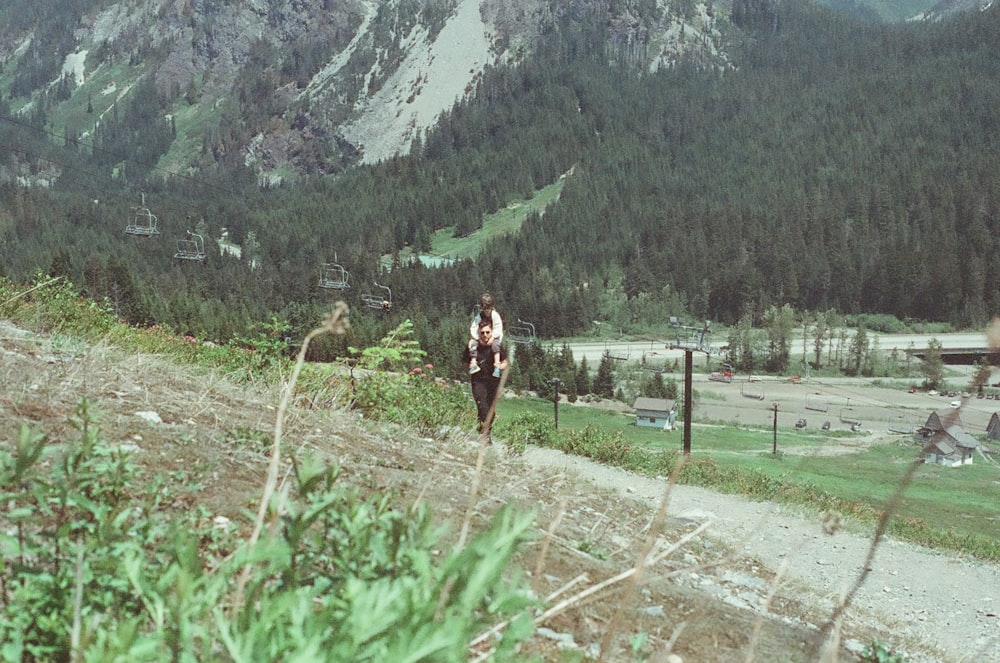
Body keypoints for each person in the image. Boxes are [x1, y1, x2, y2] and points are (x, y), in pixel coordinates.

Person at [463, 320, 509, 442]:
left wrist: (500, 366)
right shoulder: (473, 346)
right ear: (478, 332)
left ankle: (484, 431)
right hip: (478, 381)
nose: (485, 335)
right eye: (482, 332)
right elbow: (464, 362)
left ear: (492, 332)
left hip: (493, 381)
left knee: (490, 410)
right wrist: (471, 365)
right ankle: (485, 436)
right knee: (481, 404)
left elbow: (505, 362)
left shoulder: (496, 346)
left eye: (487, 332)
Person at [468, 293, 504, 377]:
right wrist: (478, 338)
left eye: (488, 307)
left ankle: (497, 366)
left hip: (493, 337)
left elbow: (498, 328)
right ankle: (473, 363)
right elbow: (473, 328)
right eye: (484, 308)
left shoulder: (495, 316)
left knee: (496, 345)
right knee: (472, 343)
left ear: (491, 307)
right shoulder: (479, 316)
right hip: (482, 337)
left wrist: (492, 337)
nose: (487, 310)